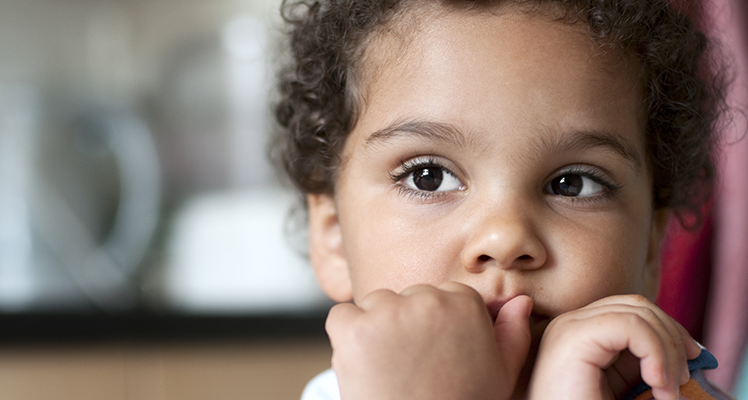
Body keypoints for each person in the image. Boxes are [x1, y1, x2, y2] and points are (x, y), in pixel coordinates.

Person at [271, 0, 733, 398]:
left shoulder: (673, 384)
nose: (506, 237)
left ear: (652, 244)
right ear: (332, 233)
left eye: (572, 184)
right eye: (428, 178)